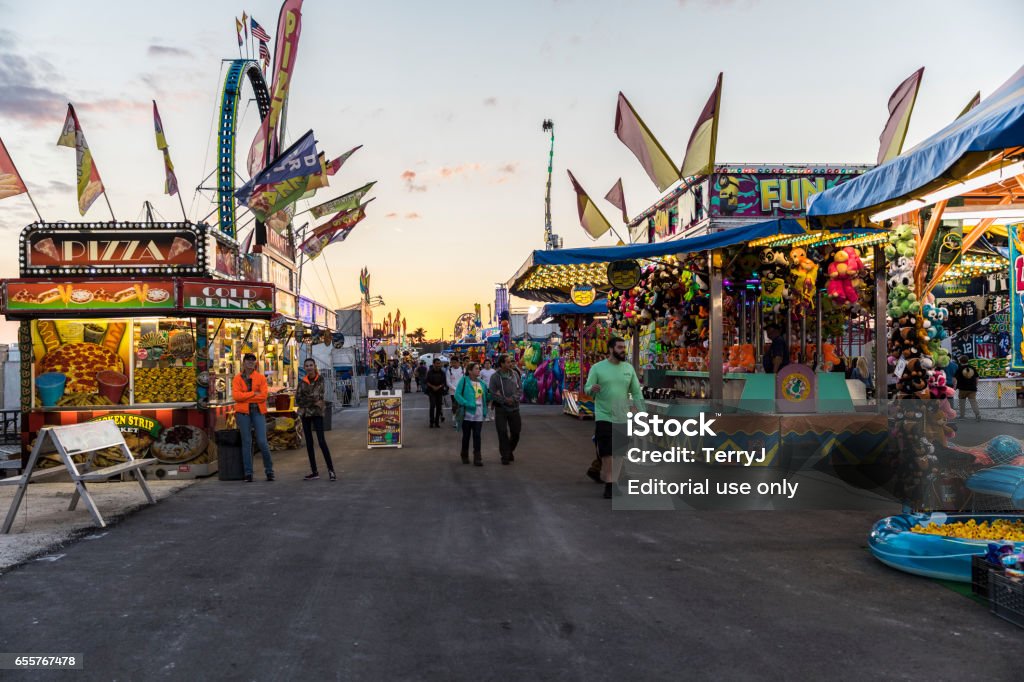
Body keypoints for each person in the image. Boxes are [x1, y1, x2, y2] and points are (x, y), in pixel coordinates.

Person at [584, 337, 645, 499]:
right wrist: (592, 388)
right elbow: (587, 388)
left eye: (623, 347)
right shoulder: (597, 368)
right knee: (606, 451)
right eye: (619, 347)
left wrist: (641, 410)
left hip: (622, 416)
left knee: (619, 453)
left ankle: (614, 481)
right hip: (604, 415)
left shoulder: (628, 369)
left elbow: (636, 392)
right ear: (611, 349)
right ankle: (610, 483)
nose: (622, 350)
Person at [232, 353, 275, 482]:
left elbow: (263, 396)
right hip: (243, 413)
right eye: (248, 360)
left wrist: (246, 396)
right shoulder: (237, 378)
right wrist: (252, 394)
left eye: (252, 360)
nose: (250, 362)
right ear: (243, 362)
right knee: (246, 443)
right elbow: (236, 396)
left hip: (258, 412)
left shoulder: (261, 378)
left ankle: (269, 470)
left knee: (262, 442)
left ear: (255, 363)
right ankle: (248, 473)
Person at [296, 358, 336, 481]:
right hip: (306, 415)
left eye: (311, 365)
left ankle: (331, 470)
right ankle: (314, 471)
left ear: (314, 366)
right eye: (307, 365)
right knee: (309, 443)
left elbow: (318, 394)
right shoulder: (302, 382)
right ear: (304, 367)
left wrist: (308, 400)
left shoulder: (321, 379)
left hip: (317, 414)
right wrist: (315, 401)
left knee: (321, 442)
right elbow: (298, 400)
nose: (309, 367)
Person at [454, 361, 491, 466]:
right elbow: (457, 395)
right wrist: (466, 403)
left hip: (479, 414)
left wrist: (492, 395)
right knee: (466, 436)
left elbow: (485, 397)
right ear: (470, 371)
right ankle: (464, 455)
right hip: (467, 414)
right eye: (476, 368)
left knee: (477, 436)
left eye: (479, 368)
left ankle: (477, 457)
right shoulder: (464, 381)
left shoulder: (482, 383)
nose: (478, 370)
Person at [488, 353, 522, 465]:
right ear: (501, 364)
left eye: (511, 362)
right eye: (507, 362)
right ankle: (505, 456)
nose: (510, 364)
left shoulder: (515, 375)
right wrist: (504, 400)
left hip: (514, 408)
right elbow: (493, 393)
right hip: (501, 409)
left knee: (516, 432)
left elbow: (520, 390)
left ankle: (509, 450)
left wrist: (513, 399)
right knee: (502, 432)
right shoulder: (494, 377)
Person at [954, 356, 981, 421]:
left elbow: (955, 378)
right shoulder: (972, 368)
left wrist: (955, 386)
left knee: (962, 402)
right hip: (972, 389)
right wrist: (975, 385)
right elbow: (977, 378)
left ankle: (962, 416)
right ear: (967, 360)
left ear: (960, 361)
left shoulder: (959, 369)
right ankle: (977, 414)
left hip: (962, 388)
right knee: (973, 402)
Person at [425, 358, 447, 428]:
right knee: (432, 406)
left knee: (439, 407)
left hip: (440, 391)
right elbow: (427, 381)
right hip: (431, 391)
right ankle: (431, 421)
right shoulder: (430, 372)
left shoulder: (442, 372)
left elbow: (444, 382)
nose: (438, 365)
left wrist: (439, 386)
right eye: (437, 363)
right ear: (433, 364)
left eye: (439, 363)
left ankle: (437, 422)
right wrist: (433, 386)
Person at [446, 357, 464, 422]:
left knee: (462, 404)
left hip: (462, 391)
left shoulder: (463, 369)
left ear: (458, 362)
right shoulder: (449, 370)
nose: (453, 364)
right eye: (452, 363)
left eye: (454, 362)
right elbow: (448, 382)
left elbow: (465, 379)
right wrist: (455, 389)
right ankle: (454, 415)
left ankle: (461, 417)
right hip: (453, 391)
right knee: (455, 404)